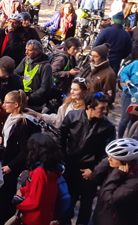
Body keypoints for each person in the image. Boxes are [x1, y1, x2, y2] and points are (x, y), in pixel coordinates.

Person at [60, 92, 116, 225]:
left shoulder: (108, 127)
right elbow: (60, 139)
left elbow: (108, 154)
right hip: (70, 168)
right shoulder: (73, 117)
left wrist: (94, 170)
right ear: (89, 107)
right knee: (67, 201)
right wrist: (62, 159)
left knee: (86, 205)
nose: (105, 111)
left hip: (89, 172)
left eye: (106, 107)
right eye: (101, 108)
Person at [0, 90, 41, 225]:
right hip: (7, 159)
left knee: (6, 196)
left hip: (13, 164)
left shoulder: (24, 124)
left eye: (7, 102)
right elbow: (8, 135)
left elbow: (25, 150)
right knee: (3, 194)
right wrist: (1, 138)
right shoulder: (12, 117)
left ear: (16, 104)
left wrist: (11, 167)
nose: (4, 105)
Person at [13, 133, 65, 225]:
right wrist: (23, 190)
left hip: (33, 219)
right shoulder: (53, 170)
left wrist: (18, 203)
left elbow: (34, 202)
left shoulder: (39, 172)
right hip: (45, 217)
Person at [90, 138, 138, 225]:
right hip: (99, 217)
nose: (109, 159)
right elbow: (95, 177)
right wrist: (109, 163)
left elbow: (108, 198)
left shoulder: (134, 182)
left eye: (113, 157)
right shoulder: (115, 166)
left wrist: (117, 174)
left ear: (124, 161)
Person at [14, 40, 53, 111]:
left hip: (36, 103)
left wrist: (29, 98)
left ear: (37, 51)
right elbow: (16, 74)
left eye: (29, 50)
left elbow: (44, 88)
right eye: (26, 49)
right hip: (24, 98)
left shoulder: (45, 66)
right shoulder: (26, 60)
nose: (26, 52)